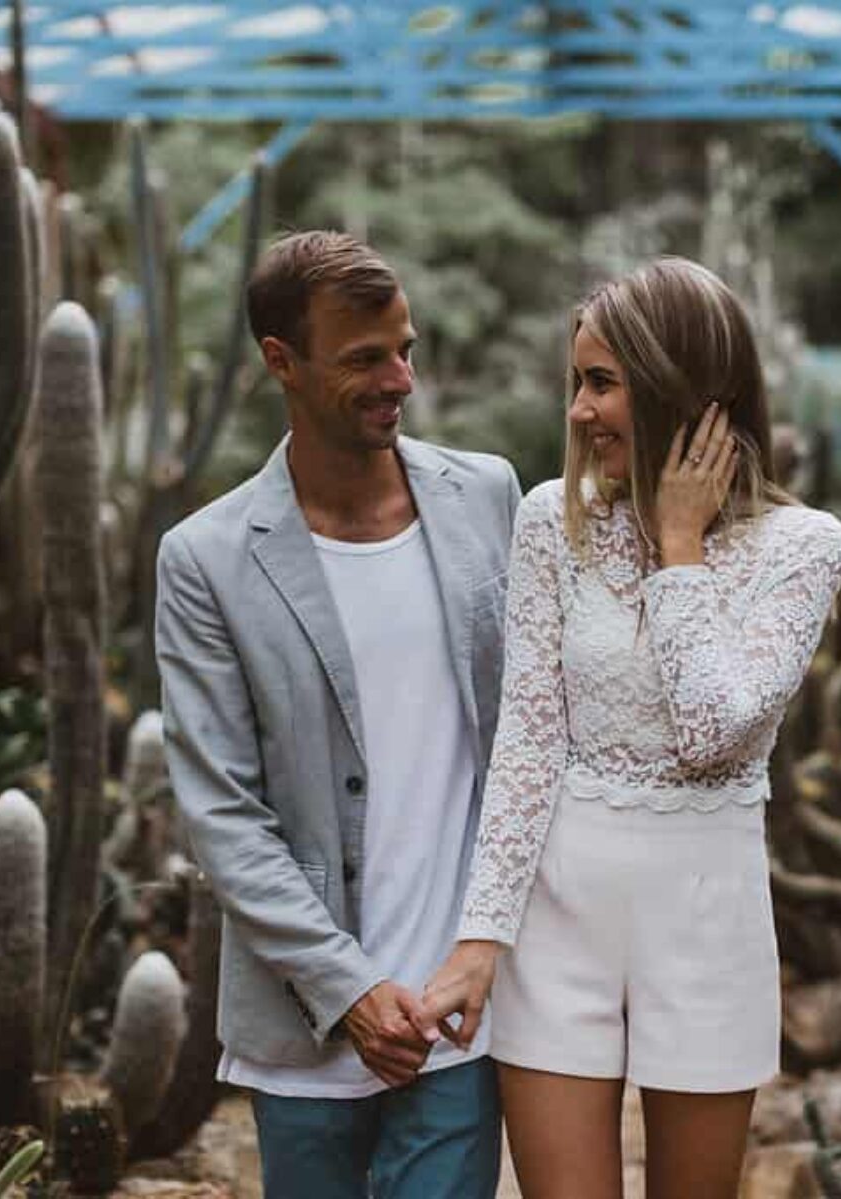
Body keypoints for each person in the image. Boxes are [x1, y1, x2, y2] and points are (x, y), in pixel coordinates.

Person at [423, 256, 841, 1197]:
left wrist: (680, 546)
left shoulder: (807, 546)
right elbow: (528, 742)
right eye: (578, 381)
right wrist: (481, 935)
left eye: (603, 382)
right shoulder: (551, 523)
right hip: (558, 915)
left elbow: (716, 731)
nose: (579, 410)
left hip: (708, 916)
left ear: (683, 388)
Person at [154, 230, 521, 1198]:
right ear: (282, 360)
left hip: (459, 1009)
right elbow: (220, 808)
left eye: (406, 348)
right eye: (365, 357)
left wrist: (486, 942)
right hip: (304, 1012)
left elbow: (529, 732)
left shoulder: (488, 494)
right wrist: (347, 986)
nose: (398, 377)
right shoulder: (208, 557)